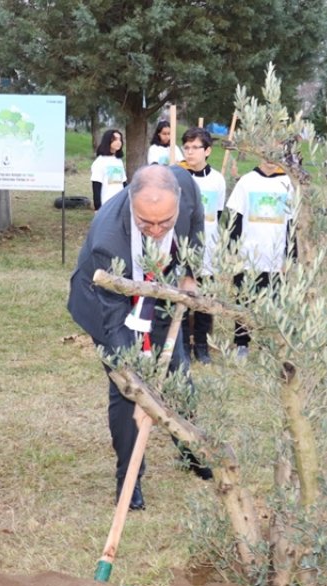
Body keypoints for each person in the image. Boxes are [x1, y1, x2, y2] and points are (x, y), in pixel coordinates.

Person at [67, 164, 212, 512]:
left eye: (165, 222)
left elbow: (194, 224)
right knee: (127, 391)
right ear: (132, 203)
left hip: (160, 289)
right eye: (147, 223)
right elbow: (116, 325)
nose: (158, 230)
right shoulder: (108, 239)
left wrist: (189, 274)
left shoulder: (186, 187)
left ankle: (189, 446)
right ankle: (128, 477)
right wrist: (137, 380)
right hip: (107, 300)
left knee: (178, 372)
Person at [227, 158, 294, 357]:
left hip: (275, 257)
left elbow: (293, 223)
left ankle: (268, 344)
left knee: (273, 302)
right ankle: (242, 343)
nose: (271, 159)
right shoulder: (246, 181)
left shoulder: (288, 183)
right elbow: (235, 220)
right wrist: (233, 252)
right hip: (247, 256)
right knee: (244, 300)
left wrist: (290, 256)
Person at [178, 127, 227, 364]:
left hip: (209, 248)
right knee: (183, 296)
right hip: (182, 246)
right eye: (186, 147)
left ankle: (202, 344)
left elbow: (217, 214)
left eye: (194, 147)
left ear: (207, 150)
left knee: (205, 298)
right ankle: (183, 345)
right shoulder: (177, 176)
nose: (189, 152)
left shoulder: (217, 180)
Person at [90, 129, 126, 211]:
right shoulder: (100, 162)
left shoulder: (118, 161)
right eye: (115, 139)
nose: (118, 142)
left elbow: (123, 183)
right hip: (106, 205)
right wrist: (97, 208)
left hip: (120, 204)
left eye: (120, 139)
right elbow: (96, 186)